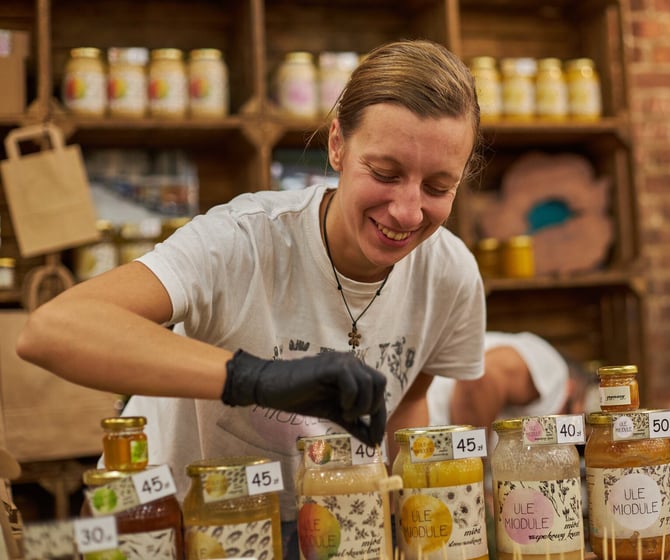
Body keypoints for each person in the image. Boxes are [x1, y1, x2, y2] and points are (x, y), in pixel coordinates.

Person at [15, 39, 486, 555]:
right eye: (385, 173)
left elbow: (407, 405)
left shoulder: (450, 274)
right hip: (169, 523)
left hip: (331, 525)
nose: (408, 211)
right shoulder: (245, 239)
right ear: (337, 146)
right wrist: (255, 378)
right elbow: (51, 329)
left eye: (439, 187)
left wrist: (403, 527)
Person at [427, 331, 596, 429]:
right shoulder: (555, 373)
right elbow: (478, 377)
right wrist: (473, 477)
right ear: (572, 388)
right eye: (571, 422)